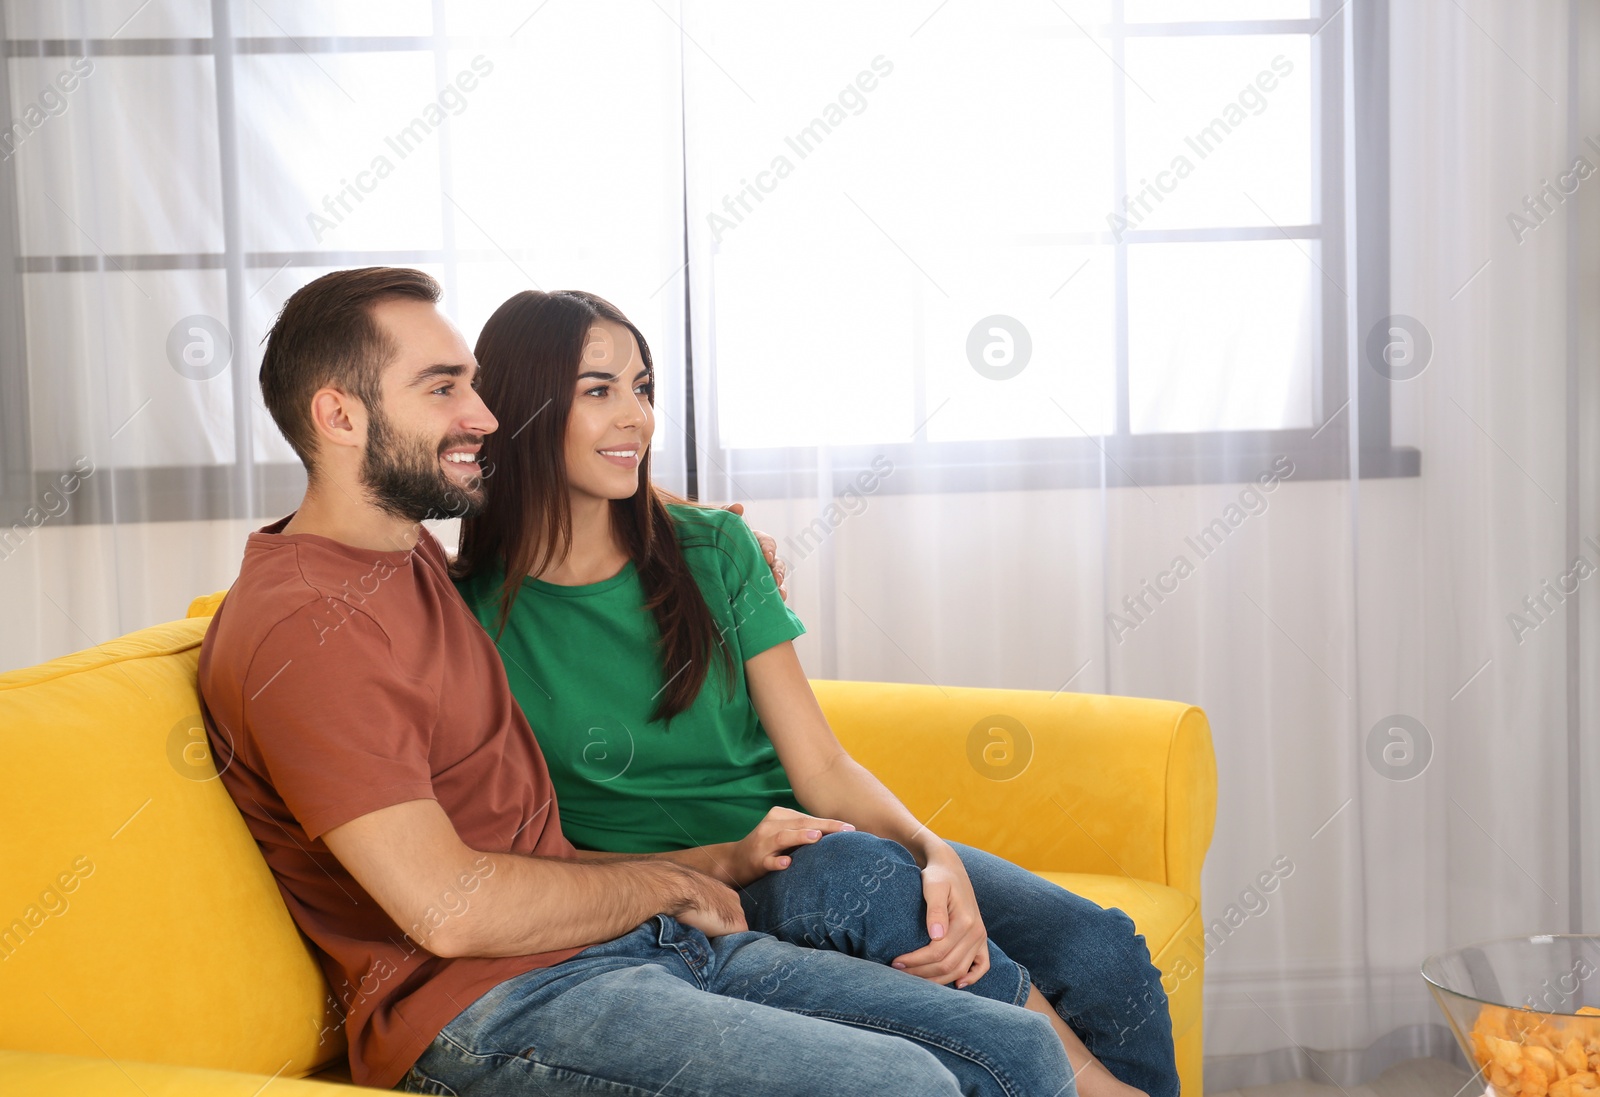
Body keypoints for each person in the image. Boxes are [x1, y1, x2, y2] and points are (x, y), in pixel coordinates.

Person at [197, 266, 1080, 1097]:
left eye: (473, 384)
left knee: (1016, 1049)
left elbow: (551, 513)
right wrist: (669, 881)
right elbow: (448, 912)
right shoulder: (310, 628)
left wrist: (707, 541)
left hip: (615, 944)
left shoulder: (403, 552)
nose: (484, 415)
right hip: (487, 1002)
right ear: (339, 416)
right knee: (908, 1084)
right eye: (443, 389)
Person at [452, 289, 1180, 1097]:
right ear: (524, 409)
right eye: (600, 390)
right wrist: (711, 861)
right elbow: (533, 860)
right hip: (691, 887)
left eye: (643, 387)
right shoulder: (465, 617)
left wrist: (934, 854)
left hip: (815, 844)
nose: (637, 418)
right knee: (852, 871)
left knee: (1104, 949)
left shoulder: (715, 551)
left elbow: (823, 766)